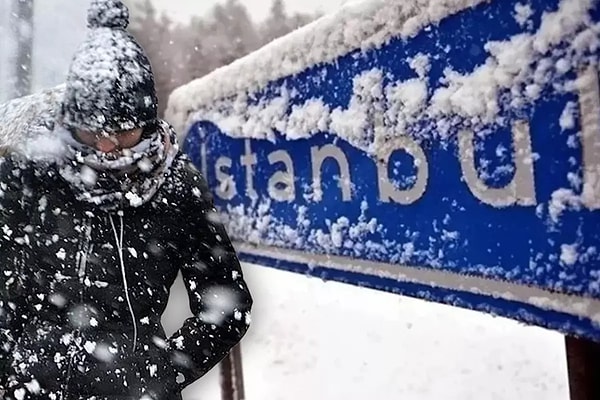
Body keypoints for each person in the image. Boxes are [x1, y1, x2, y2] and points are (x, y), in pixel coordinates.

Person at [0, 0, 252, 399]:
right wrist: (11, 369)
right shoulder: (31, 174)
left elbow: (227, 305)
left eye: (124, 131)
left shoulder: (175, 185)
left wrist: (162, 373)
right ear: (71, 121)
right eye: (92, 131)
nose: (107, 146)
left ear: (148, 121)